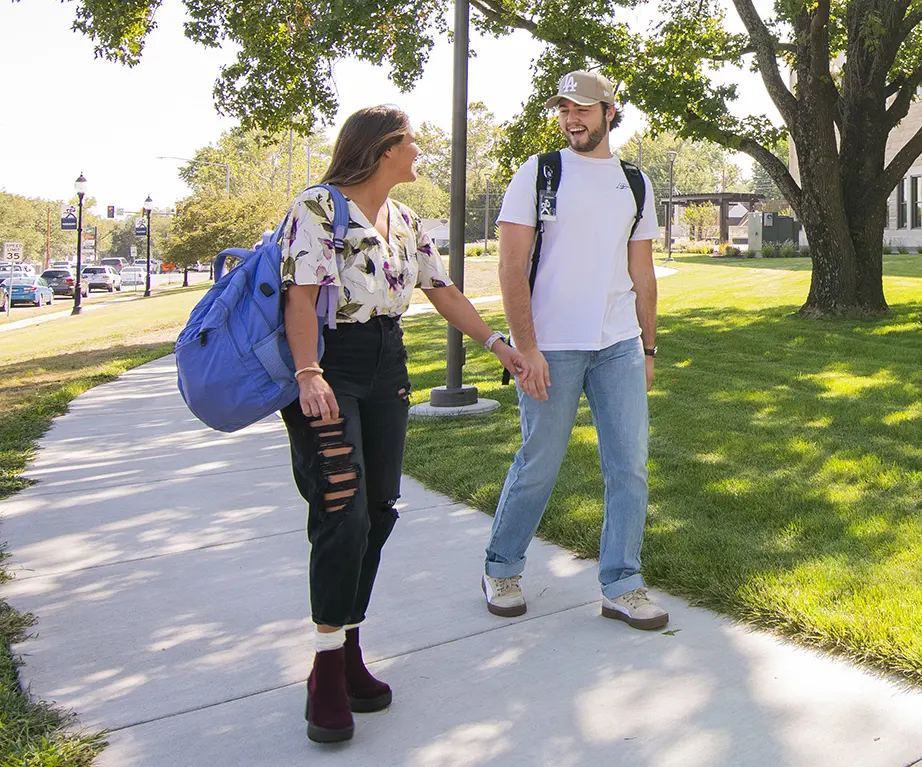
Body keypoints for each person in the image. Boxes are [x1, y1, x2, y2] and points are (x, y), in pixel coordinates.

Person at [282, 105, 528, 743]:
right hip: (331, 366)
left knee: (381, 508)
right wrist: (308, 373)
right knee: (343, 513)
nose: (420, 153)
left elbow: (441, 290)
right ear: (383, 148)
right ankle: (325, 670)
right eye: (412, 143)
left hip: (387, 363)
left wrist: (496, 344)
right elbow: (300, 298)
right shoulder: (317, 208)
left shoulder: (407, 220)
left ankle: (349, 648)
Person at [481, 70, 669, 632]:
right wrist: (527, 347)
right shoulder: (539, 172)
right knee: (540, 463)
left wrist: (650, 348)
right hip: (551, 348)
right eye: (565, 110)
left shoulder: (634, 182)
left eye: (584, 109)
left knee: (629, 467)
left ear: (611, 112)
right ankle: (501, 566)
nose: (572, 119)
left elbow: (642, 271)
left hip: (618, 347)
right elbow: (511, 267)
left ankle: (622, 583)